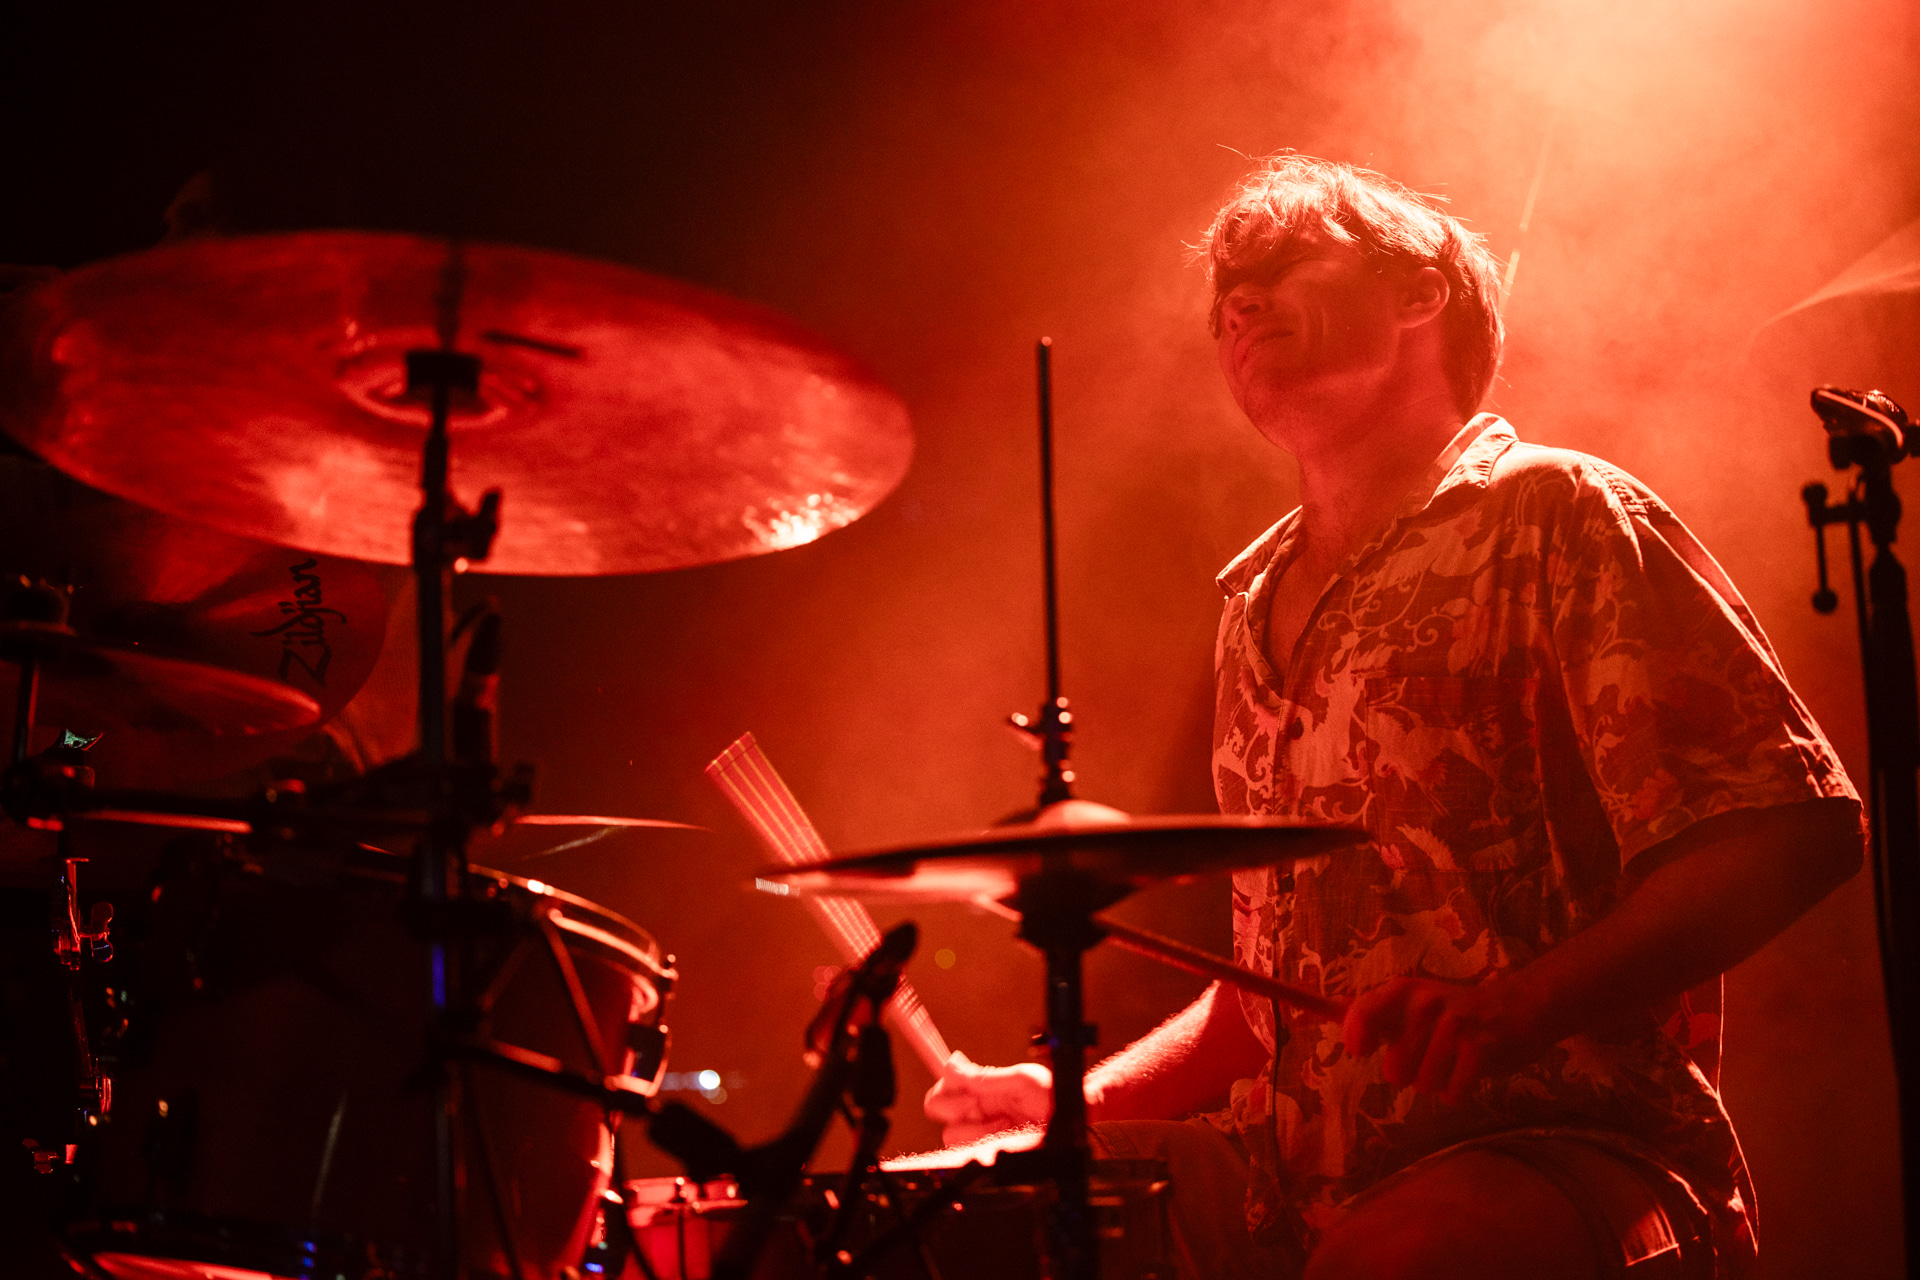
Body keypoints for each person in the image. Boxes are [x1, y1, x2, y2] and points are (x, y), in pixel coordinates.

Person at [923, 155, 1864, 1280]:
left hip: (1564, 1143)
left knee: (1404, 1257)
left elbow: (1789, 826)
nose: (1239, 305)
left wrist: (1519, 1006)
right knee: (958, 1223)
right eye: (1227, 298)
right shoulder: (1249, 604)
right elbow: (1258, 1003)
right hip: (1284, 1179)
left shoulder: (1557, 513)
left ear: (1420, 294)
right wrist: (1073, 1096)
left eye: (1281, 267)